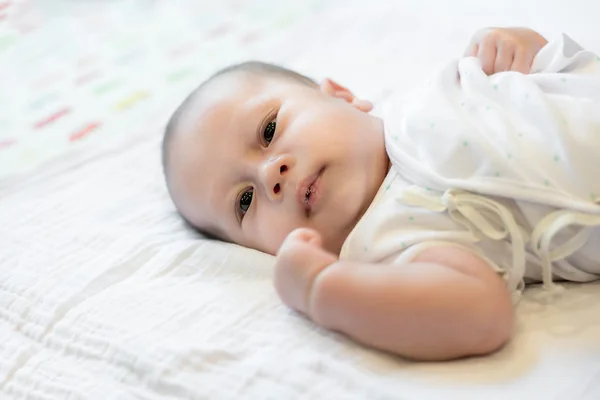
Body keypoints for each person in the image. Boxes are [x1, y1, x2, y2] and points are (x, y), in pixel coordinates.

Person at [161, 27, 600, 361]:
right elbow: (481, 316)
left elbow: (551, 66)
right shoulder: (387, 245)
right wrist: (324, 290)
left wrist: (515, 43)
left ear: (343, 96)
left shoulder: (429, 92)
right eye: (244, 202)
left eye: (269, 130)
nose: (269, 174)